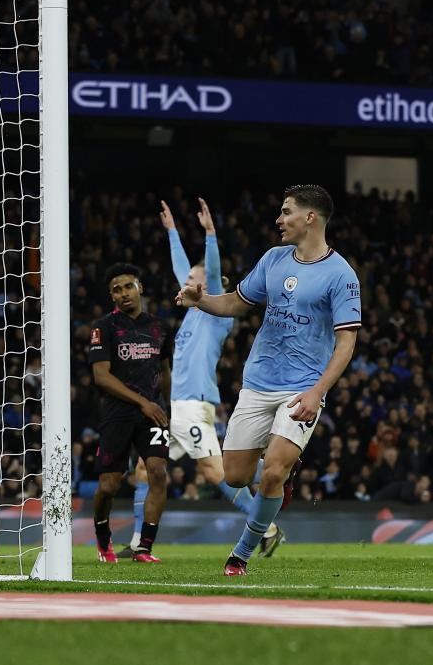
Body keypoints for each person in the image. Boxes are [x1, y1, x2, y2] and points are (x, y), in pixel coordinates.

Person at [177, 184, 361, 576]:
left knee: (273, 470)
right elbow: (237, 304)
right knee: (236, 476)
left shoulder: (342, 275)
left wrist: (317, 392)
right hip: (259, 381)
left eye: (286, 212)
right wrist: (202, 300)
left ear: (310, 217)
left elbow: (346, 342)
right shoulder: (273, 259)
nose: (279, 219)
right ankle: (282, 474)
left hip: (303, 386)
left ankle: (239, 555)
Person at [121, 198, 281, 558]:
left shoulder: (215, 314)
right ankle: (137, 543)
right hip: (175, 407)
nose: (185, 282)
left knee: (214, 472)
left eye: (193, 280)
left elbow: (208, 271)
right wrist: (173, 231)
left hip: (195, 405)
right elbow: (185, 269)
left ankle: (267, 523)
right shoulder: (192, 313)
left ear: (205, 286)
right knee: (147, 469)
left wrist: (210, 235)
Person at [89, 263, 172, 563]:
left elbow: (164, 370)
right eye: (116, 290)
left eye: (127, 286)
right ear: (111, 297)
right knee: (109, 486)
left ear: (140, 288)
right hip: (118, 413)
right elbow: (101, 376)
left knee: (158, 473)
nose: (123, 294)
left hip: (153, 412)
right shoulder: (104, 327)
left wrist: (167, 407)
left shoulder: (159, 327)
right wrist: (142, 402)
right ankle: (102, 536)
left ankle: (145, 548)